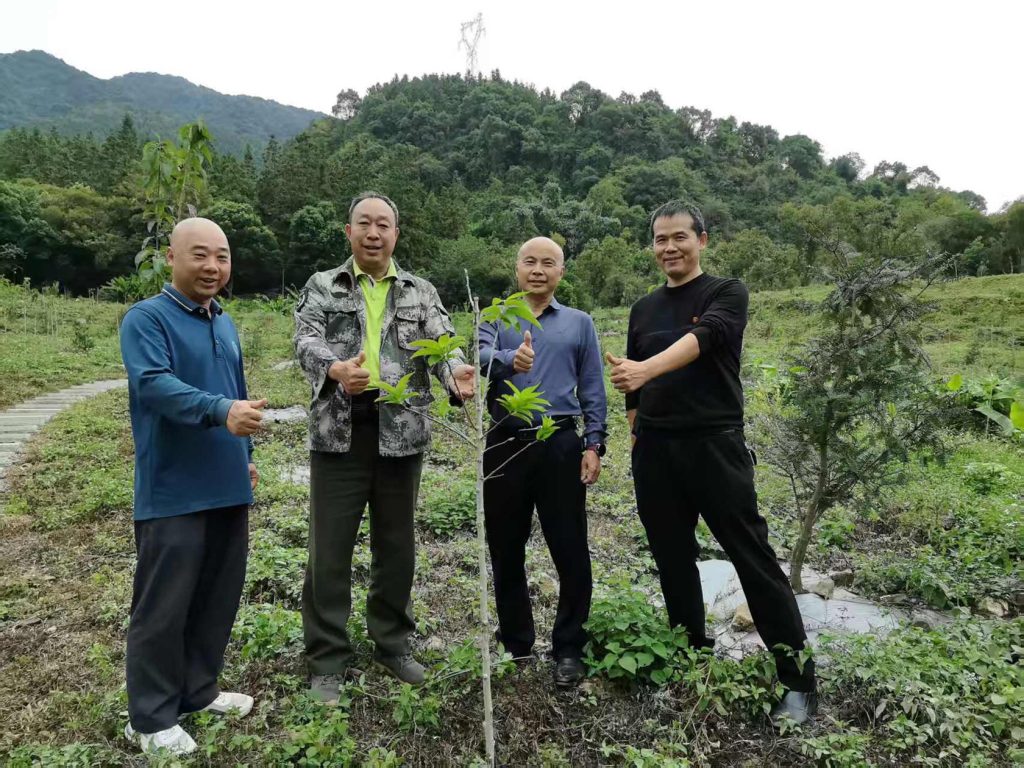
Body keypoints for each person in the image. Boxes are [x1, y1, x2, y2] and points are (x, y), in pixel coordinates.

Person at [606, 200, 817, 725]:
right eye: (660, 239)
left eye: (680, 236)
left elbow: (703, 339)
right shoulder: (643, 308)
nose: (669, 247)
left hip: (715, 446)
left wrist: (644, 370)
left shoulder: (726, 292)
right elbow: (631, 383)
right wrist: (635, 428)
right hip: (656, 450)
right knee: (672, 558)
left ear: (701, 240)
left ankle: (797, 678)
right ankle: (690, 654)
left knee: (752, 556)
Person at [294, 191, 475, 703]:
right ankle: (327, 658)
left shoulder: (420, 291)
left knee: (396, 547)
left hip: (402, 432)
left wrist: (454, 374)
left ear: (396, 234)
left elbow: (444, 344)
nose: (373, 233)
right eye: (364, 224)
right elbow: (305, 340)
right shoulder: (323, 285)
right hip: (339, 432)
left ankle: (391, 642)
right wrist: (335, 368)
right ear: (348, 231)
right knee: (329, 550)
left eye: (383, 225)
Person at [119, 217, 263, 756]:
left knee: (216, 597)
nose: (212, 267)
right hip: (173, 490)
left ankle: (198, 692)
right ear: (171, 257)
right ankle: (150, 718)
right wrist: (221, 410)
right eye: (200, 255)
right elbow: (154, 385)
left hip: (227, 484)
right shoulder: (146, 318)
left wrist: (245, 458)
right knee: (163, 606)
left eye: (221, 257)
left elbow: (236, 389)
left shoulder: (224, 322)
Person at [479, 236, 607, 688]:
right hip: (505, 442)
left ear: (561, 272)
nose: (538, 270)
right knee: (505, 546)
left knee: (570, 546)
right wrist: (508, 359)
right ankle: (516, 642)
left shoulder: (579, 323)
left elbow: (592, 385)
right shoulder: (496, 317)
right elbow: (477, 357)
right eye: (530, 262)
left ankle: (569, 647)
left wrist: (594, 443)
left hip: (560, 442)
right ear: (516, 268)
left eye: (548, 263)